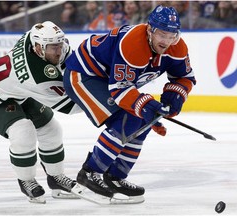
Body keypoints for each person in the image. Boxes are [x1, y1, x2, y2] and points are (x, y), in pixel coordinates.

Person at [63, 5, 196, 204]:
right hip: (84, 75)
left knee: (143, 122)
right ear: (150, 30)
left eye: (172, 35)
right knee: (130, 118)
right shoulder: (133, 43)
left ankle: (115, 178)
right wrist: (145, 105)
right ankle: (90, 173)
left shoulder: (178, 47)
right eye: (162, 34)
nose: (167, 41)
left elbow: (184, 77)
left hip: (110, 79)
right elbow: (119, 89)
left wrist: (175, 95)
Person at [0, 21, 81, 204]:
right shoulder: (36, 76)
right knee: (23, 131)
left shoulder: (33, 37)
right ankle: (26, 180)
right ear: (38, 48)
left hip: (16, 89)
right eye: (53, 48)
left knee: (52, 129)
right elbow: (70, 106)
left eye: (60, 45)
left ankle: (56, 178)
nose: (59, 52)